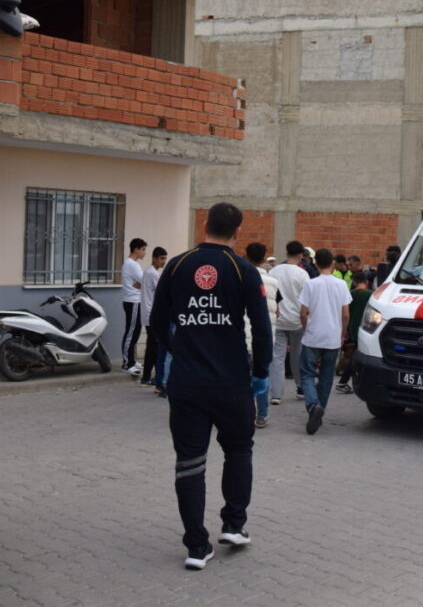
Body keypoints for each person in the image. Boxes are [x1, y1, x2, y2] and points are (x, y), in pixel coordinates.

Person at [149, 202, 272, 571]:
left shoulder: (178, 265)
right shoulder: (244, 270)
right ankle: (234, 524)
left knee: (189, 463)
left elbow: (156, 324)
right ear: (237, 233)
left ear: (204, 224)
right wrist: (261, 372)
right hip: (232, 382)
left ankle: (196, 546)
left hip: (187, 384)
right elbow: (262, 327)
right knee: (238, 449)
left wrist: (178, 351)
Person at [298, 248, 352, 435]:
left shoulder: (310, 284)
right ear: (332, 263)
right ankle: (319, 411)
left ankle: (313, 406)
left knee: (306, 374)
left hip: (313, 336)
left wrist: (306, 327)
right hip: (332, 337)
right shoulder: (342, 285)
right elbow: (346, 314)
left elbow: (303, 313)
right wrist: (343, 333)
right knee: (327, 378)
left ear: (316, 264)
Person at [269, 241, 310, 406]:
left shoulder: (273, 271)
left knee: (277, 357)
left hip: (278, 320)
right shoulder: (302, 274)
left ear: (286, 253)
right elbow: (307, 300)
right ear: (301, 255)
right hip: (297, 321)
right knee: (297, 355)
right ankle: (300, 388)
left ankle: (276, 394)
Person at [244, 242, 279, 428]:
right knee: (262, 375)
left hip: (243, 337)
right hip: (266, 338)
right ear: (264, 257)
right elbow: (277, 310)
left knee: (242, 379)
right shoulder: (273, 282)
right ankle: (262, 415)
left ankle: (246, 413)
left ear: (246, 256)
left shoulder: (240, 278)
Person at [334, 271, 372, 394]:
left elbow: (344, 314)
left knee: (353, 356)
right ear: (366, 282)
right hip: (367, 330)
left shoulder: (350, 294)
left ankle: (345, 381)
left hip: (352, 330)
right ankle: (343, 382)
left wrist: (344, 331)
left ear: (354, 282)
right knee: (357, 358)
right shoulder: (371, 295)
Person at [140, 247, 168, 389]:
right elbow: (161, 294)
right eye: (162, 258)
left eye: (165, 258)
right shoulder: (153, 274)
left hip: (147, 312)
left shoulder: (148, 272)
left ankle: (148, 377)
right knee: (155, 347)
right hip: (152, 313)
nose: (164, 261)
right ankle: (155, 378)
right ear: (155, 258)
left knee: (152, 347)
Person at [121, 238, 147, 374]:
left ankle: (131, 360)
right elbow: (145, 282)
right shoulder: (132, 264)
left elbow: (142, 283)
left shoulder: (131, 263)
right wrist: (142, 285)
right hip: (133, 302)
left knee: (135, 331)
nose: (144, 253)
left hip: (134, 301)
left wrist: (142, 285)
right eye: (143, 249)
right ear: (136, 249)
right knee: (131, 332)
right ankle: (127, 363)